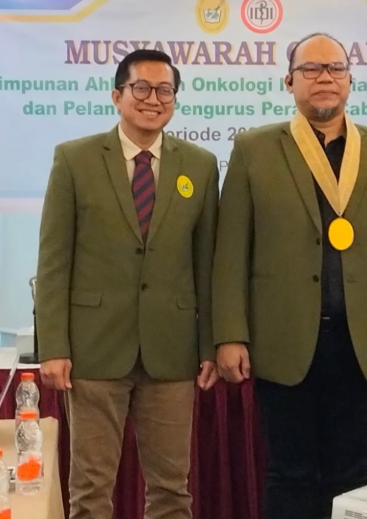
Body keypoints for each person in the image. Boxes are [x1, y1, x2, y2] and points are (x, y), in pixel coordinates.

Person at [212, 33, 367, 519]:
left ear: (350, 80)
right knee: (289, 473)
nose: (324, 77)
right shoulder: (254, 149)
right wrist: (229, 334)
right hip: (282, 339)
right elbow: (230, 252)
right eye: (311, 69)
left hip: (361, 340)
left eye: (335, 68)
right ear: (289, 82)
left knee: (354, 475)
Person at [35, 49, 219, 519]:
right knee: (91, 491)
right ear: (117, 96)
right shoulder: (74, 159)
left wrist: (209, 345)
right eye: (141, 88)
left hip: (172, 351)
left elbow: (206, 265)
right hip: (95, 349)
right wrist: (52, 346)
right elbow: (54, 262)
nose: (153, 99)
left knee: (172, 492)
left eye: (165, 91)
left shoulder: (200, 165)